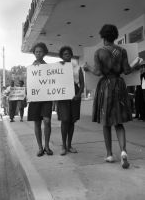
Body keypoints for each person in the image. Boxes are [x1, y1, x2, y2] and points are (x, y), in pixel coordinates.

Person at [83, 24, 142, 169]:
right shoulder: (121, 51)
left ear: (103, 37)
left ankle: (109, 154)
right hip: (119, 85)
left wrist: (87, 67)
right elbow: (127, 70)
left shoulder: (99, 52)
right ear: (115, 36)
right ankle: (123, 151)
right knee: (119, 121)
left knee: (106, 122)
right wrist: (136, 66)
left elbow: (97, 72)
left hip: (106, 86)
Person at [57, 46, 84, 155]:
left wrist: (78, 94)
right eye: (64, 54)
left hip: (75, 94)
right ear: (61, 56)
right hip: (63, 94)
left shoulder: (77, 67)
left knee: (72, 120)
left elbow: (82, 84)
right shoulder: (58, 67)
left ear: (71, 55)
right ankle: (63, 146)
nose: (67, 56)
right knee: (65, 119)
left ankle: (69, 145)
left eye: (68, 54)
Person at [27, 42, 53, 157]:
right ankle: (40, 147)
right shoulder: (31, 68)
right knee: (37, 123)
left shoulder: (49, 67)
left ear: (45, 53)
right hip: (35, 98)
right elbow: (29, 83)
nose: (38, 53)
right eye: (36, 51)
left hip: (46, 98)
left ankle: (47, 146)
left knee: (47, 121)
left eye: (40, 51)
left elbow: (55, 80)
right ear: (34, 53)